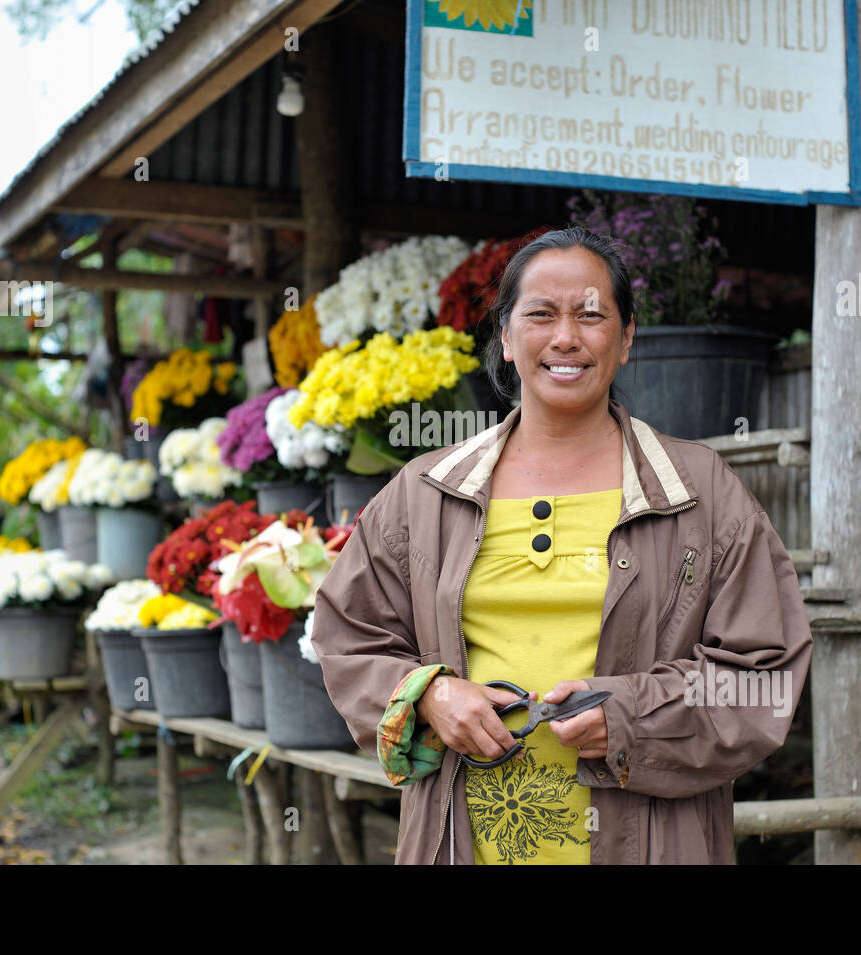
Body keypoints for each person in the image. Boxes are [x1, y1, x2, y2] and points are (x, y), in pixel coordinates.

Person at [311, 226, 813, 865]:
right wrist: (428, 694)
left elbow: (763, 676)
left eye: (592, 315)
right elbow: (345, 636)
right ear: (507, 337)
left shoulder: (699, 490)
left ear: (626, 338)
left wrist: (634, 718)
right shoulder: (426, 491)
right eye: (541, 314)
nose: (566, 337)